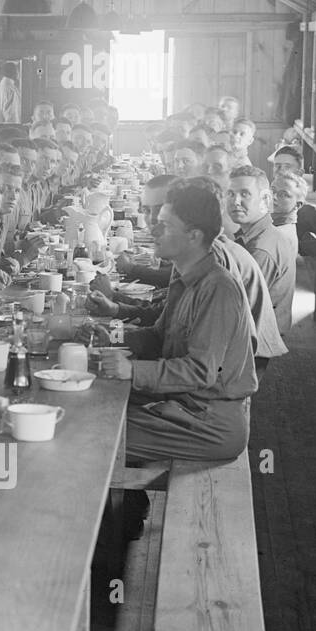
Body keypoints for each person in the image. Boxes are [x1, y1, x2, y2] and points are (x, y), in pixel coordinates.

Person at [97, 182, 257, 463]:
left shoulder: (218, 288)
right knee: (96, 400)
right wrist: (112, 336)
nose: (153, 230)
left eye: (164, 226)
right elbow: (159, 336)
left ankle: (126, 505)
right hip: (184, 405)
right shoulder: (185, 275)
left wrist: (131, 369)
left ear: (193, 236)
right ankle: (127, 505)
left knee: (95, 434)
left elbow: (201, 371)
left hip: (207, 422)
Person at [228, 166, 295, 335]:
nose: (235, 201)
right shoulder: (257, 233)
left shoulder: (260, 249)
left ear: (265, 199)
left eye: (245, 194)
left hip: (255, 339)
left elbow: (238, 307)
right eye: (230, 194)